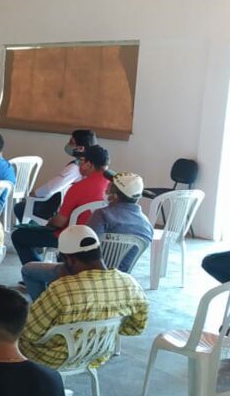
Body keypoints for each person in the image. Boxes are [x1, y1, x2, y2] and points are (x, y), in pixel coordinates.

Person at [19, 225, 148, 369]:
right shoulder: (131, 284)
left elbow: (29, 333)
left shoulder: (61, 290)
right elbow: (135, 329)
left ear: (70, 260)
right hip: (97, 355)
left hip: (51, 359)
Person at [21, 173, 152, 300]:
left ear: (115, 196)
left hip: (82, 274)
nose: (106, 191)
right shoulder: (147, 225)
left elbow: (82, 245)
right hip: (119, 279)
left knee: (29, 269)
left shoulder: (103, 215)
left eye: (110, 187)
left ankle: (44, 307)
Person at [10, 144, 111, 264]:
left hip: (71, 238)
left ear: (89, 165)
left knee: (18, 236)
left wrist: (50, 222)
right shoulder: (114, 188)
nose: (79, 164)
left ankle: (37, 273)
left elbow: (60, 221)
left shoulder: (78, 188)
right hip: (102, 239)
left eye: (81, 161)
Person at [15, 129, 91, 221]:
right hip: (70, 207)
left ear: (81, 148)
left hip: (58, 210)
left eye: (72, 142)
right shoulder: (88, 166)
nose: (68, 145)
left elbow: (50, 188)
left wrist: (34, 193)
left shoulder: (75, 168)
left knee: (20, 207)